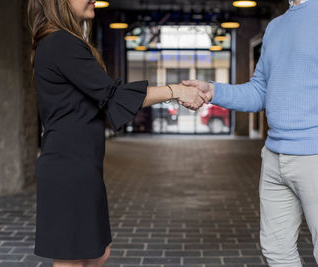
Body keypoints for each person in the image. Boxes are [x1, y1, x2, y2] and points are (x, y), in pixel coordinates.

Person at [182, 0, 318, 266]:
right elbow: (259, 92)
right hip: (275, 158)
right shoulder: (276, 27)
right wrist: (212, 91)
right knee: (276, 251)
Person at [27, 0, 207, 266]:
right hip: (68, 168)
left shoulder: (62, 42)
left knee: (98, 253)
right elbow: (113, 96)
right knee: (72, 259)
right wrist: (176, 90)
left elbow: (99, 99)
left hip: (80, 165)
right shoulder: (60, 43)